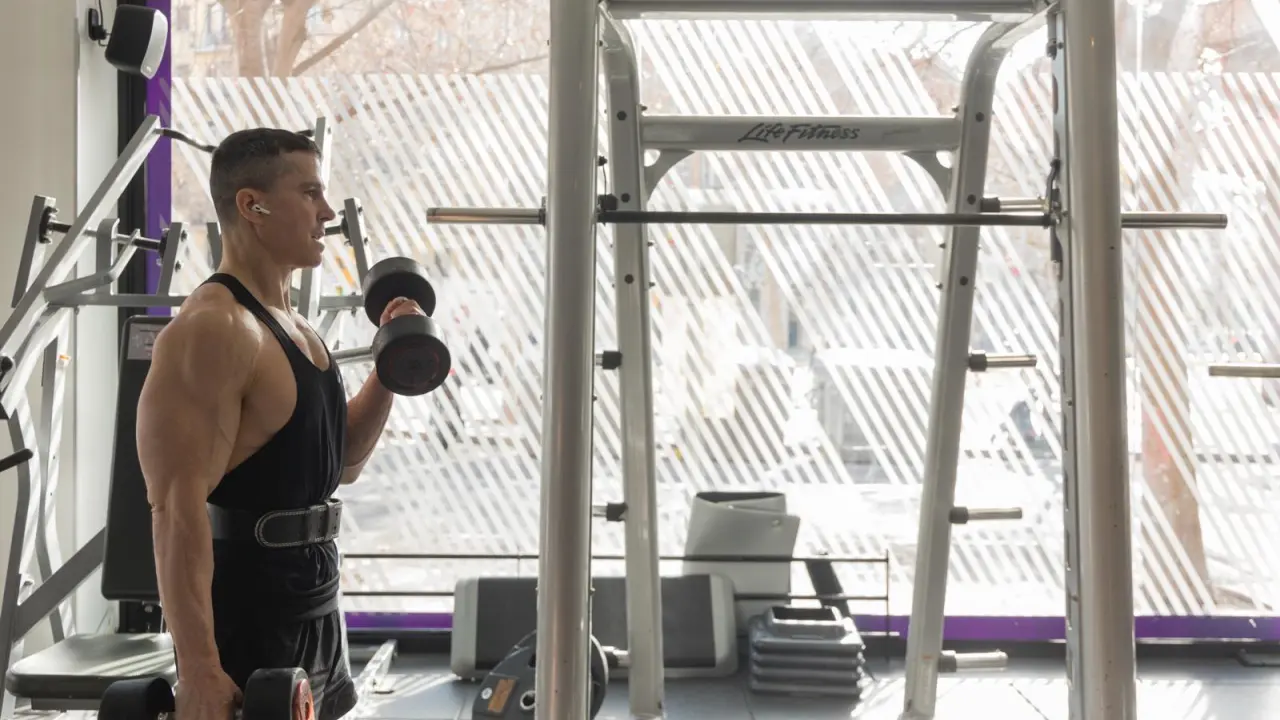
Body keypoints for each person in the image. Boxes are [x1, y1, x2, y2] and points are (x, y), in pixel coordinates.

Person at [136, 128, 423, 720]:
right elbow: (175, 511)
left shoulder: (294, 324)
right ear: (253, 205)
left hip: (316, 602)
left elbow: (343, 462)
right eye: (310, 193)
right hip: (250, 616)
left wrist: (392, 364)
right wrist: (200, 669)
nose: (326, 213)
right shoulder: (214, 329)